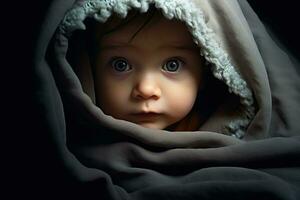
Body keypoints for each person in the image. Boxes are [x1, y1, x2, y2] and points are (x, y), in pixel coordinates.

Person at [33, 0, 300, 199]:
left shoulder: (251, 152)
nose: (147, 89)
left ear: (210, 68)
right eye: (120, 64)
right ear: (86, 68)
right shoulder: (62, 156)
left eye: (172, 65)